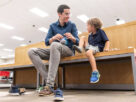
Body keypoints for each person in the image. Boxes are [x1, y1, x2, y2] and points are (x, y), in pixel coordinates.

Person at [28, 4, 79, 101]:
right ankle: (51, 84)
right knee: (31, 51)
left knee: (55, 45)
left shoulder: (72, 25)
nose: (68, 16)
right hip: (54, 49)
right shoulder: (52, 26)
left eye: (69, 14)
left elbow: (77, 41)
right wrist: (53, 38)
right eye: (66, 14)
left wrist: (72, 37)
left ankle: (49, 85)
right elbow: (47, 42)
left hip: (67, 50)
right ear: (59, 14)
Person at [73, 18, 110, 83]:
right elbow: (89, 45)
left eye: (87, 26)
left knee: (88, 52)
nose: (86, 27)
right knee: (82, 37)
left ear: (92, 26)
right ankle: (80, 48)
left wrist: (106, 48)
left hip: (97, 47)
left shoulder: (100, 31)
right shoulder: (90, 35)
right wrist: (85, 46)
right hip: (91, 47)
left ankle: (95, 72)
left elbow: (107, 41)